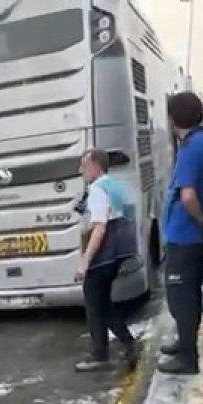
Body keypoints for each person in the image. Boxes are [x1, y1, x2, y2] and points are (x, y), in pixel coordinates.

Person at [159, 91, 203, 375]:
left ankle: (187, 356)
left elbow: (187, 195)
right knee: (190, 293)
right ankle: (185, 343)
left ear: (174, 117)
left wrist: (199, 218)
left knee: (180, 296)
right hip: (198, 236)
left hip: (185, 234)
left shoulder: (191, 147)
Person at [73, 148, 138, 372]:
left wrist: (85, 261)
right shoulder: (114, 185)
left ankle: (100, 355)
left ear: (95, 166)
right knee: (102, 303)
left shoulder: (98, 189)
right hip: (119, 249)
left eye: (84, 165)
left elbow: (99, 228)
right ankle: (128, 344)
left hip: (105, 251)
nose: (81, 170)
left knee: (94, 303)